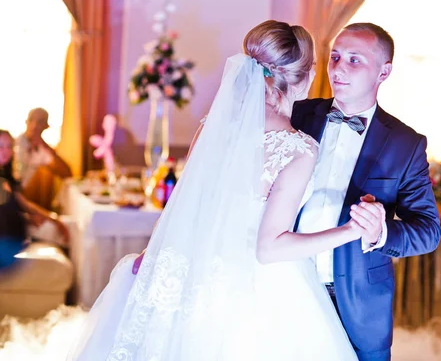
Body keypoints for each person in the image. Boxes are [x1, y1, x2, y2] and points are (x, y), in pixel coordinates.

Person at [67, 21, 369, 361]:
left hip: (191, 272)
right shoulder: (298, 149)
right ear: (308, 74)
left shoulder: (212, 127)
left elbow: (183, 202)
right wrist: (349, 230)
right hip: (257, 293)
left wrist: (154, 252)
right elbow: (269, 248)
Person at [290, 22, 441, 361]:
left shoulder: (405, 144)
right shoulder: (297, 114)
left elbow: (429, 230)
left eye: (355, 60)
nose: (339, 68)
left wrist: (381, 231)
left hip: (357, 305)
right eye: (335, 57)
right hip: (284, 287)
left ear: (383, 72)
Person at [0, 130, 69, 270]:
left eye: (8, 146)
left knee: (66, 226)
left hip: (15, 230)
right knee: (57, 231)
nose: (5, 151)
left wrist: (54, 219)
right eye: (0, 146)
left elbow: (22, 203)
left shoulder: (7, 175)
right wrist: (27, 218)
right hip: (7, 237)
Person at [13, 108, 72, 201]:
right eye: (31, 120)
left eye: (40, 122)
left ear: (46, 126)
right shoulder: (12, 143)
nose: (34, 125)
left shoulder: (43, 151)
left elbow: (66, 173)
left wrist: (45, 145)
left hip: (21, 198)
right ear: (26, 121)